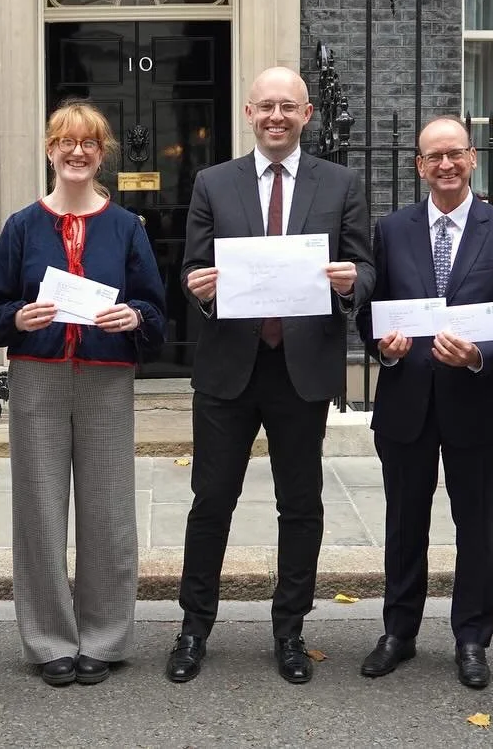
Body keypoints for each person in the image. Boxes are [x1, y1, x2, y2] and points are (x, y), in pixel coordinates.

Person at [168, 67, 374, 685]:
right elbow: (193, 269)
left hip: (301, 369)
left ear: (307, 114)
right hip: (229, 366)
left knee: (300, 504)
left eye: (289, 107)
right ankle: (193, 626)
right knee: (211, 501)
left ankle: (290, 630)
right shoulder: (213, 182)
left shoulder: (340, 183)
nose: (277, 117)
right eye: (266, 107)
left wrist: (349, 285)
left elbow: (365, 267)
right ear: (249, 114)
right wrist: (199, 288)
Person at [0, 101, 166, 688]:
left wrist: (133, 318)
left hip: (106, 376)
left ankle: (106, 636)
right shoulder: (21, 226)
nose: (77, 152)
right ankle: (48, 639)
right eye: (66, 141)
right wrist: (22, 317)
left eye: (89, 143)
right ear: (49, 150)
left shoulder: (127, 227)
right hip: (38, 376)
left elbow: (156, 311)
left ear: (102, 152)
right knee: (38, 511)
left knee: (109, 511)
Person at [355, 115, 493, 691]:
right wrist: (383, 345)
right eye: (434, 157)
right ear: (419, 166)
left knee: (475, 525)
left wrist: (480, 356)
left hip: (475, 403)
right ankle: (398, 632)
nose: (445, 165)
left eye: (455, 153)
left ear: (473, 158)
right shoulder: (391, 229)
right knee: (404, 524)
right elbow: (369, 313)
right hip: (406, 401)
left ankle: (472, 637)